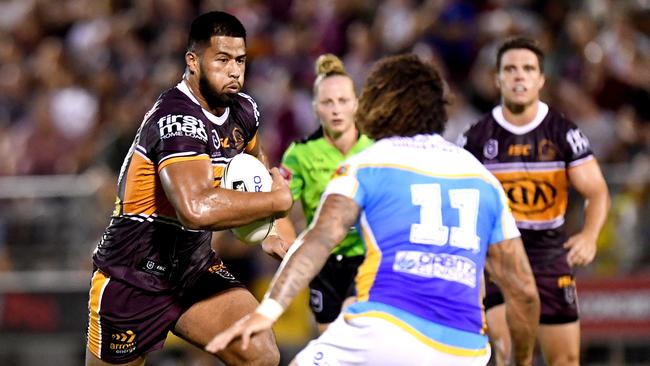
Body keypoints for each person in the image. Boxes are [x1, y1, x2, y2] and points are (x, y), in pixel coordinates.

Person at [205, 54, 540, 366]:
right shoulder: (483, 179)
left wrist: (267, 313)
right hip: (465, 350)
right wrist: (523, 360)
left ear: (380, 105)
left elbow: (318, 241)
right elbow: (523, 291)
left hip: (385, 331)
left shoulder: (367, 164)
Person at [85, 11, 293, 366]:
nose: (234, 71)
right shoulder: (176, 117)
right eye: (223, 60)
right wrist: (274, 201)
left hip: (194, 269)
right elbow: (194, 208)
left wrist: (272, 227)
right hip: (132, 276)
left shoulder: (244, 110)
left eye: (240, 60)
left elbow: (258, 162)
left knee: (260, 353)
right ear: (193, 62)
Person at [461, 37, 611, 366]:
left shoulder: (563, 133)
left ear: (541, 79)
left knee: (566, 359)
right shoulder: (475, 138)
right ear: (497, 78)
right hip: (497, 258)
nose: (519, 76)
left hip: (548, 256)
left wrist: (589, 235)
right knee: (508, 355)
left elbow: (597, 191)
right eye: (510, 69)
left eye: (528, 69)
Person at [270, 53, 373, 333]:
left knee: (354, 327)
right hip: (323, 262)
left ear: (356, 104)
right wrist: (282, 238)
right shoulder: (300, 154)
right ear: (315, 107)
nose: (336, 110)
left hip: (367, 258)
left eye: (343, 101)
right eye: (328, 102)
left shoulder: (376, 149)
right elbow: (278, 207)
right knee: (329, 343)